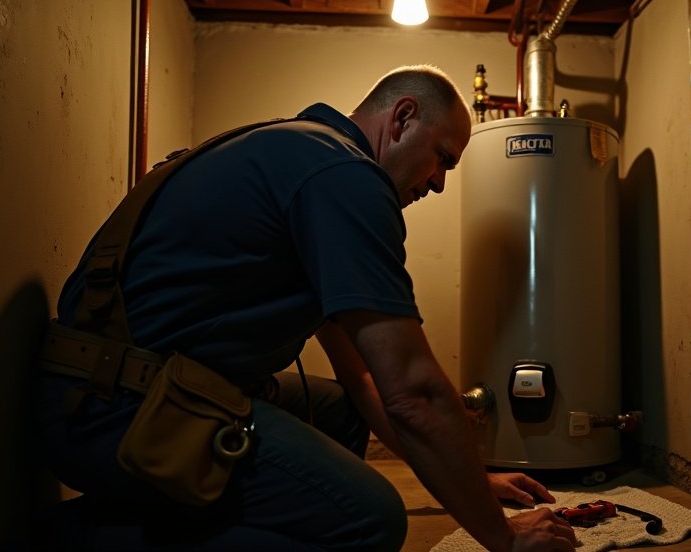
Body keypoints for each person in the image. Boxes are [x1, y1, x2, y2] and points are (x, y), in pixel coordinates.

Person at [37, 64, 578, 551]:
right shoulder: (346, 178)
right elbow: (413, 391)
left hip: (99, 390)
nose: (438, 184)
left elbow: (365, 378)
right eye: (442, 159)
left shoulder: (299, 151)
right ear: (403, 118)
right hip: (114, 409)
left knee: (340, 409)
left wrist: (469, 481)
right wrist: (503, 538)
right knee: (372, 520)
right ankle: (77, 539)